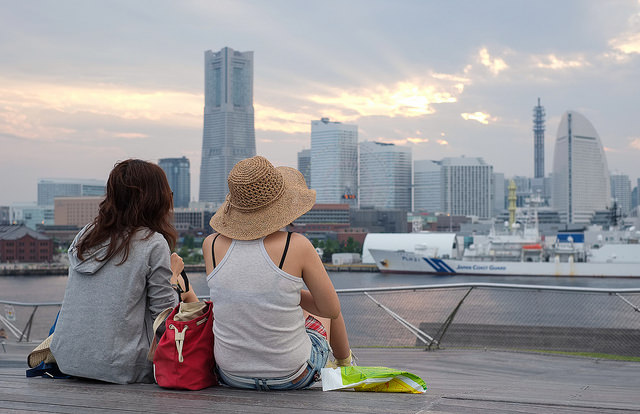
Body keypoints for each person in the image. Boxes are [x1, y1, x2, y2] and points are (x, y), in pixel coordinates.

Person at [203, 155, 354, 391]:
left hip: (231, 375)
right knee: (326, 306)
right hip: (293, 375)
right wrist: (290, 294)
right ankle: (346, 365)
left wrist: (282, 294)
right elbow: (331, 310)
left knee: (290, 302)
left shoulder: (211, 245)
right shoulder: (296, 244)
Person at [50, 159, 197, 384]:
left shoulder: (86, 234)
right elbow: (165, 319)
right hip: (122, 366)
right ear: (155, 198)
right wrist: (176, 279)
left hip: (69, 359)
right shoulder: (152, 242)